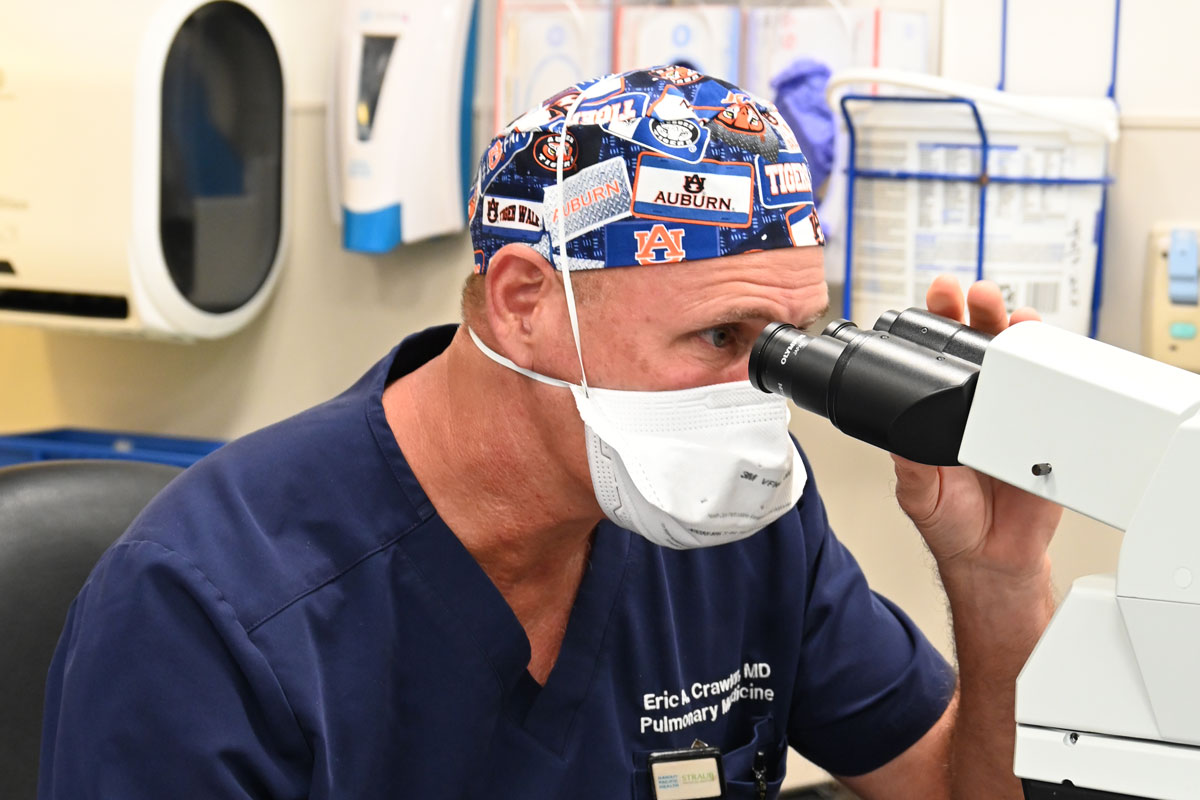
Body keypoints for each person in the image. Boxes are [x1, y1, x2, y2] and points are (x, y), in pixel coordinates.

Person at [39, 67, 1061, 799]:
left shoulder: (746, 526)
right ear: (526, 298)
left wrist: (996, 577)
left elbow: (950, 784)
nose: (760, 399)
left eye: (788, 341)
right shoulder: (206, 610)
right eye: (719, 336)